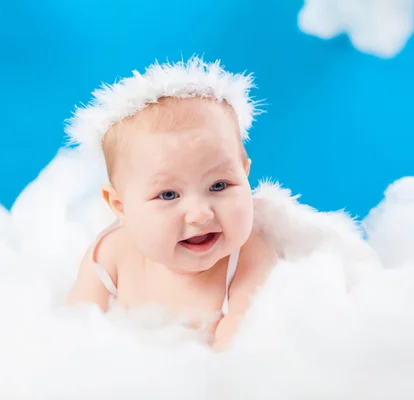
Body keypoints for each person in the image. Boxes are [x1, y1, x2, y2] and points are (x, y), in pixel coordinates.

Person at [66, 57, 278, 350]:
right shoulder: (109, 256)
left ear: (245, 175)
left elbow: (237, 352)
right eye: (168, 195)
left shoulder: (250, 259)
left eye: (219, 185)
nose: (200, 214)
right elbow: (72, 334)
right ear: (120, 206)